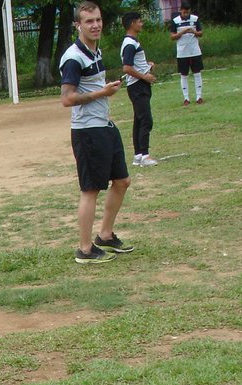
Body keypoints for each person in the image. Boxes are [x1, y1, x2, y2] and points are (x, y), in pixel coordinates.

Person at [60, 1, 132, 264]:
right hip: (87, 131)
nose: (95, 25)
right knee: (90, 190)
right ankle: (85, 249)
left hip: (104, 126)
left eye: (98, 20)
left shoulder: (94, 51)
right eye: (89, 21)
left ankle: (105, 235)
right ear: (78, 25)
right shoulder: (73, 57)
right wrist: (103, 92)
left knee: (122, 180)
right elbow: (67, 99)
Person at [121, 12, 157, 167]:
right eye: (140, 21)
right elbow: (127, 68)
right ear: (132, 24)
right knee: (146, 120)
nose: (142, 24)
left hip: (138, 85)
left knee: (138, 120)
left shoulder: (133, 42)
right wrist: (145, 76)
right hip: (137, 86)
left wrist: (146, 65)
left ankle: (138, 155)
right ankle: (145, 156)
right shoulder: (130, 44)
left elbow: (133, 64)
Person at [170, 2, 204, 106]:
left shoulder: (195, 19)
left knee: (197, 74)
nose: (186, 14)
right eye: (184, 12)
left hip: (195, 51)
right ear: (180, 10)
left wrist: (194, 32)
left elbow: (201, 33)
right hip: (182, 53)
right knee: (184, 75)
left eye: (188, 12)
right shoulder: (175, 21)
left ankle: (199, 97)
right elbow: (172, 37)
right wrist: (181, 33)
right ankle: (186, 98)